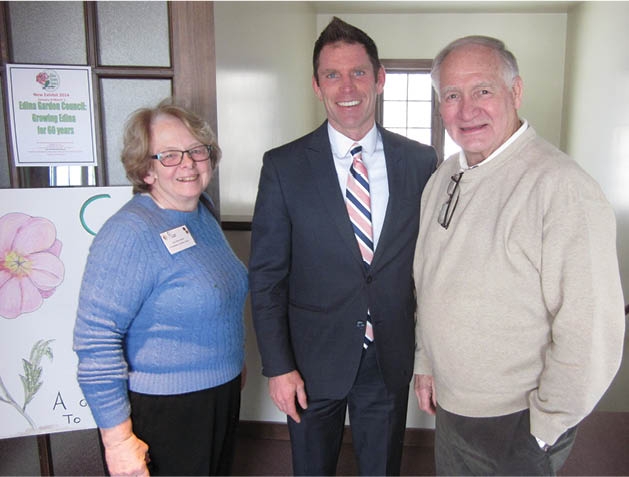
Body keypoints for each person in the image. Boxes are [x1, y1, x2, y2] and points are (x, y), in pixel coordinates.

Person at [413, 35, 625, 475]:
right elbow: (431, 280)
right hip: (454, 408)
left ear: (516, 92)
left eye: (483, 90)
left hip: (518, 420)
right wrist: (426, 360)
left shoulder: (562, 187)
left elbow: (592, 328)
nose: (466, 109)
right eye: (452, 95)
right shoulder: (444, 176)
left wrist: (546, 426)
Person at [249, 17, 437, 476]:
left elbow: (432, 268)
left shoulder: (421, 161)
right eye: (332, 74)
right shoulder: (283, 167)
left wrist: (427, 356)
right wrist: (278, 366)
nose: (346, 86)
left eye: (358, 72)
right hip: (311, 362)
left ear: (380, 78)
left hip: (388, 356)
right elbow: (267, 275)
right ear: (317, 85)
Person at [73, 100, 248, 476]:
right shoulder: (129, 232)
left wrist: (232, 363)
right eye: (168, 155)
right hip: (163, 407)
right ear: (146, 169)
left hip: (218, 394)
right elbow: (96, 340)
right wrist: (117, 441)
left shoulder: (202, 211)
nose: (187, 163)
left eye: (196, 151)